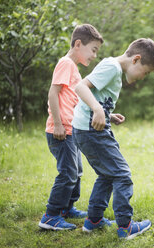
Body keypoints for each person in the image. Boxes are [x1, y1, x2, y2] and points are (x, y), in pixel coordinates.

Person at [72, 38, 154, 239]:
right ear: (136, 59)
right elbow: (80, 87)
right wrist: (97, 109)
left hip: (86, 130)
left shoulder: (114, 69)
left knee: (107, 174)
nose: (142, 77)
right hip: (92, 132)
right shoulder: (112, 67)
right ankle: (125, 227)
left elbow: (95, 95)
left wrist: (107, 114)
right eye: (145, 72)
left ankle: (93, 220)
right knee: (122, 174)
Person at [39, 24, 104, 230]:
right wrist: (57, 124)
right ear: (78, 44)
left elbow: (77, 100)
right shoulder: (66, 63)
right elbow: (52, 93)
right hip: (60, 131)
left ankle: (67, 208)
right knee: (67, 173)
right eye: (93, 49)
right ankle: (51, 215)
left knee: (76, 171)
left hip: (71, 131)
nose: (94, 55)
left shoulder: (73, 69)